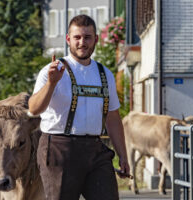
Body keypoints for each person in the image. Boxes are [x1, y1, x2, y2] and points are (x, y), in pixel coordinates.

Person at [28, 14, 129, 200]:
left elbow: (113, 118)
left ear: (96, 39)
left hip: (95, 149)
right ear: (68, 39)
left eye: (88, 37)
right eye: (77, 37)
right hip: (59, 149)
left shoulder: (105, 74)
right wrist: (51, 84)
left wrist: (123, 156)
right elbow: (34, 109)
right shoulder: (51, 70)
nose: (82, 42)